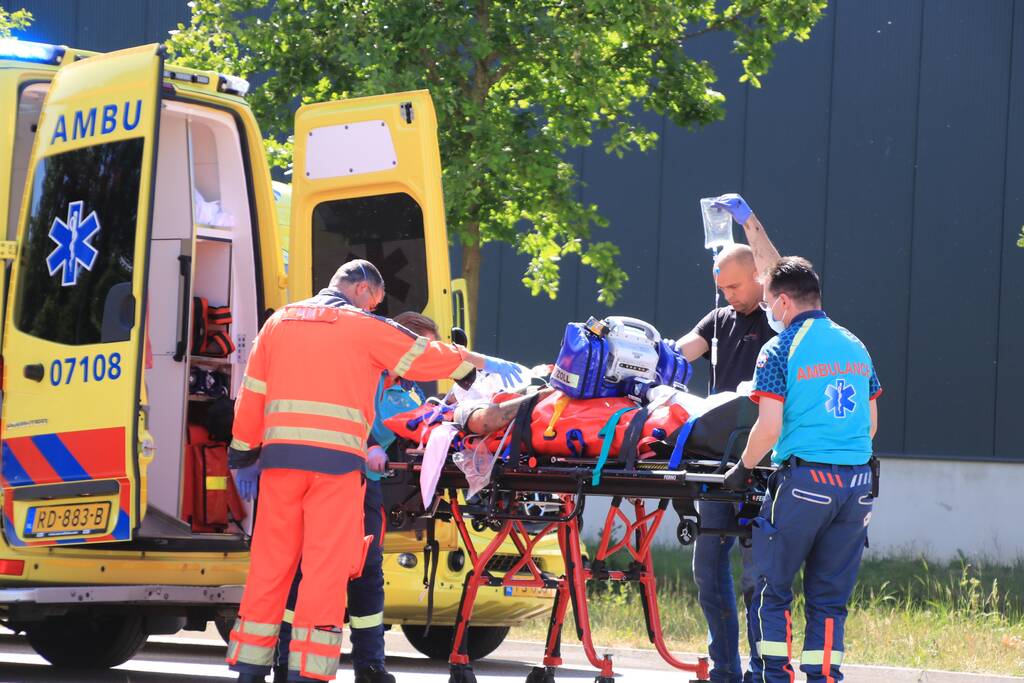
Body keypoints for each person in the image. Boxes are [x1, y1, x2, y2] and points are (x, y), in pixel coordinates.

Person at [226, 260, 522, 683]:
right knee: (325, 571)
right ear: (362, 288)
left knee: (270, 567)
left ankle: (250, 670)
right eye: (376, 301)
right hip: (335, 471)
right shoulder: (362, 326)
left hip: (280, 468)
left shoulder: (278, 323)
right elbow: (420, 354)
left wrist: (242, 455)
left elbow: (251, 393)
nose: (374, 309)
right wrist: (468, 365)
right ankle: (306, 674)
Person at [723, 256, 881, 683]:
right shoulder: (855, 344)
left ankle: (775, 676)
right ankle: (824, 676)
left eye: (769, 302)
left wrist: (742, 467)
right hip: (857, 486)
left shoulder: (778, 349)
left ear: (784, 302)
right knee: (829, 600)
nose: (768, 311)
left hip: (805, 483)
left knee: (772, 590)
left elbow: (769, 427)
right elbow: (870, 423)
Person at [271, 311, 441, 683]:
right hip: (328, 479)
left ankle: (370, 665)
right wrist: (369, 444)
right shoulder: (360, 371)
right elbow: (340, 414)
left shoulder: (409, 390)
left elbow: (415, 425)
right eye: (424, 350)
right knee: (308, 569)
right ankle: (286, 661)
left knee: (368, 571)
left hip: (366, 487)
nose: (427, 360)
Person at [673, 194, 780, 683]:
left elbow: (777, 268)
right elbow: (678, 353)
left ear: (758, 277)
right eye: (721, 288)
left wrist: (748, 221)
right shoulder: (717, 322)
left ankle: (761, 671)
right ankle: (724, 669)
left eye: (735, 286)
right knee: (707, 569)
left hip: (761, 464)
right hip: (717, 467)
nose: (728, 295)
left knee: (757, 577)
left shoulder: (777, 320)